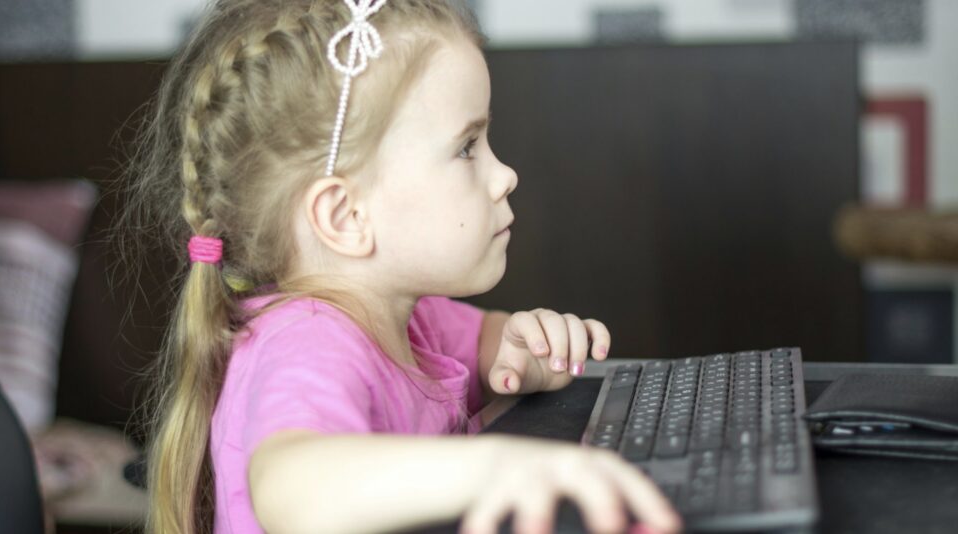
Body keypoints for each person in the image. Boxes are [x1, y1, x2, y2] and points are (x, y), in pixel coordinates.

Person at [119, 1, 683, 533]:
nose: (504, 174)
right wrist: (499, 465)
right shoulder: (308, 342)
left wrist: (524, 349)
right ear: (345, 215)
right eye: (466, 148)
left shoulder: (409, 317)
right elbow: (295, 486)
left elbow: (487, 345)